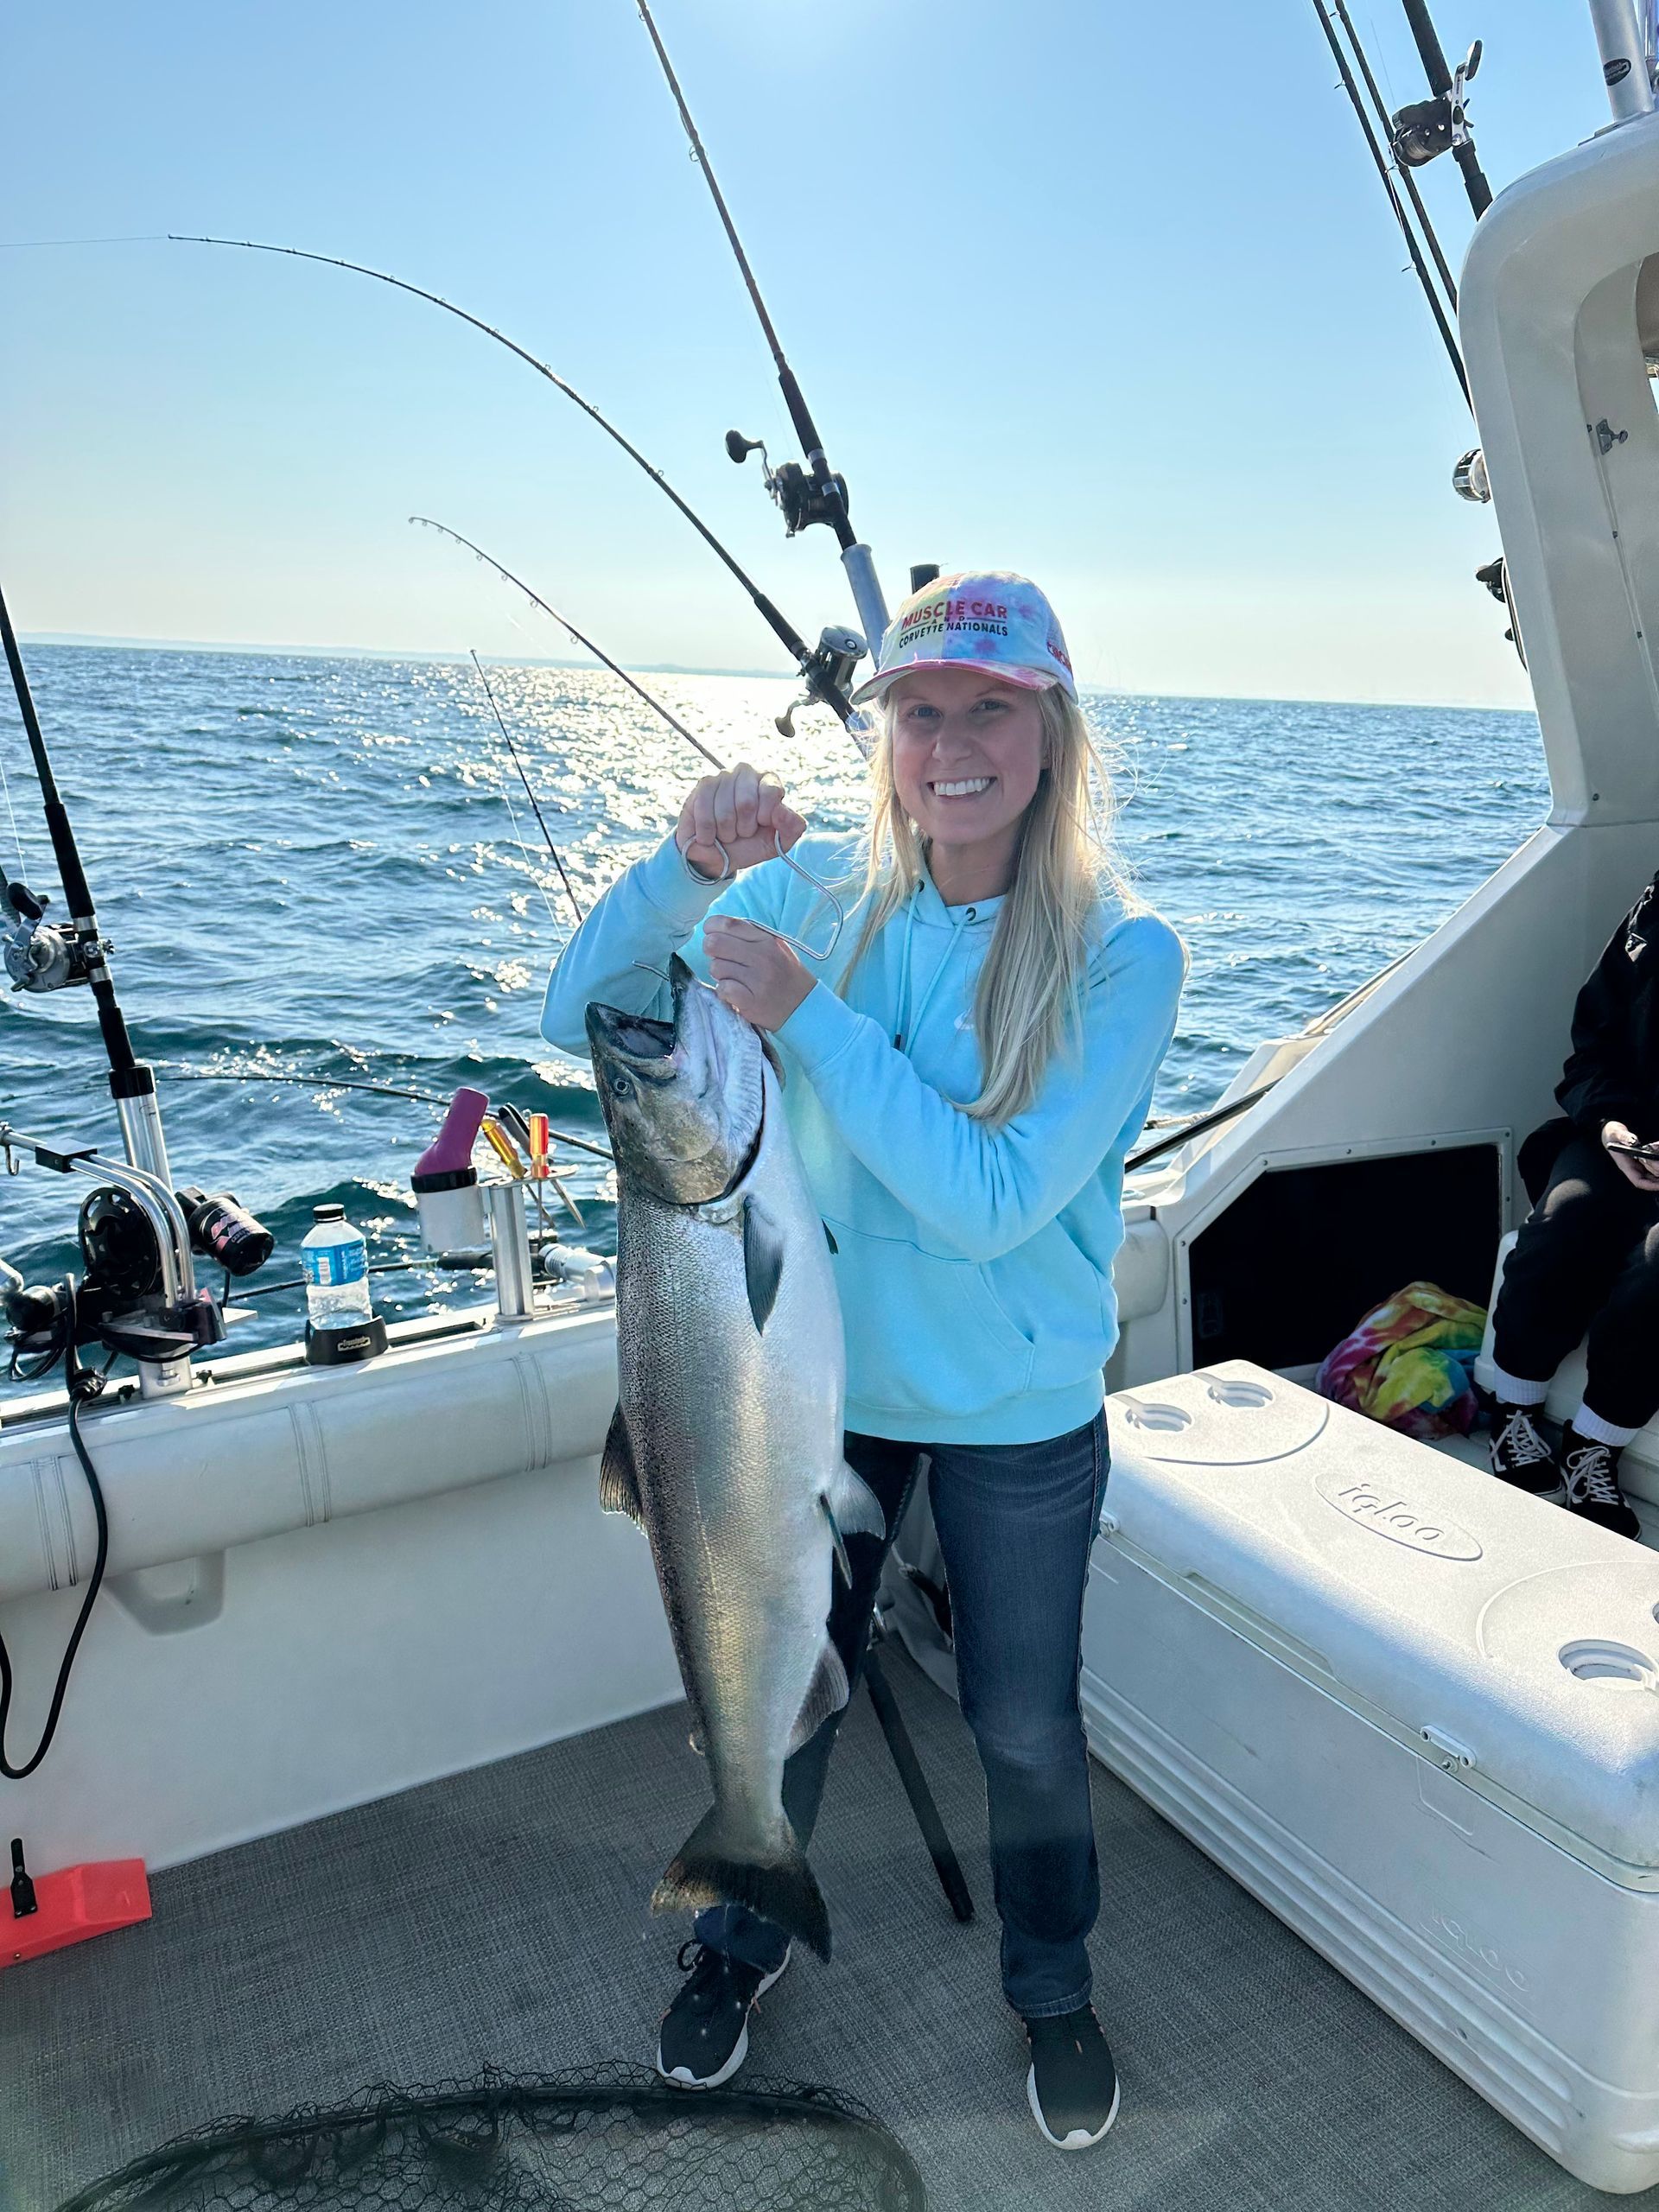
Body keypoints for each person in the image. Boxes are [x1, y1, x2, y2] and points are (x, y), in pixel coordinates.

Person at [541, 571, 1184, 2152]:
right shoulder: (812, 896)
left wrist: (815, 1024)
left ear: (1051, 732)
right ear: (882, 734)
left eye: (990, 709)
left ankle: (1053, 1988)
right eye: (919, 712)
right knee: (790, 1694)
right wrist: (686, 871)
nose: (952, 743)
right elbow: (589, 1016)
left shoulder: (1124, 954)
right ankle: (740, 1925)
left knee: (1026, 1726)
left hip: (1019, 1412)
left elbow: (984, 1210)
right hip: (811, 1402)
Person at [1486, 867, 1659, 1538]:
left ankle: (1594, 1444)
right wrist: (1614, 1129)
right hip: (1623, 1135)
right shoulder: (1651, 912)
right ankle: (1514, 1408)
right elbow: (1590, 1054)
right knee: (1566, 1222)